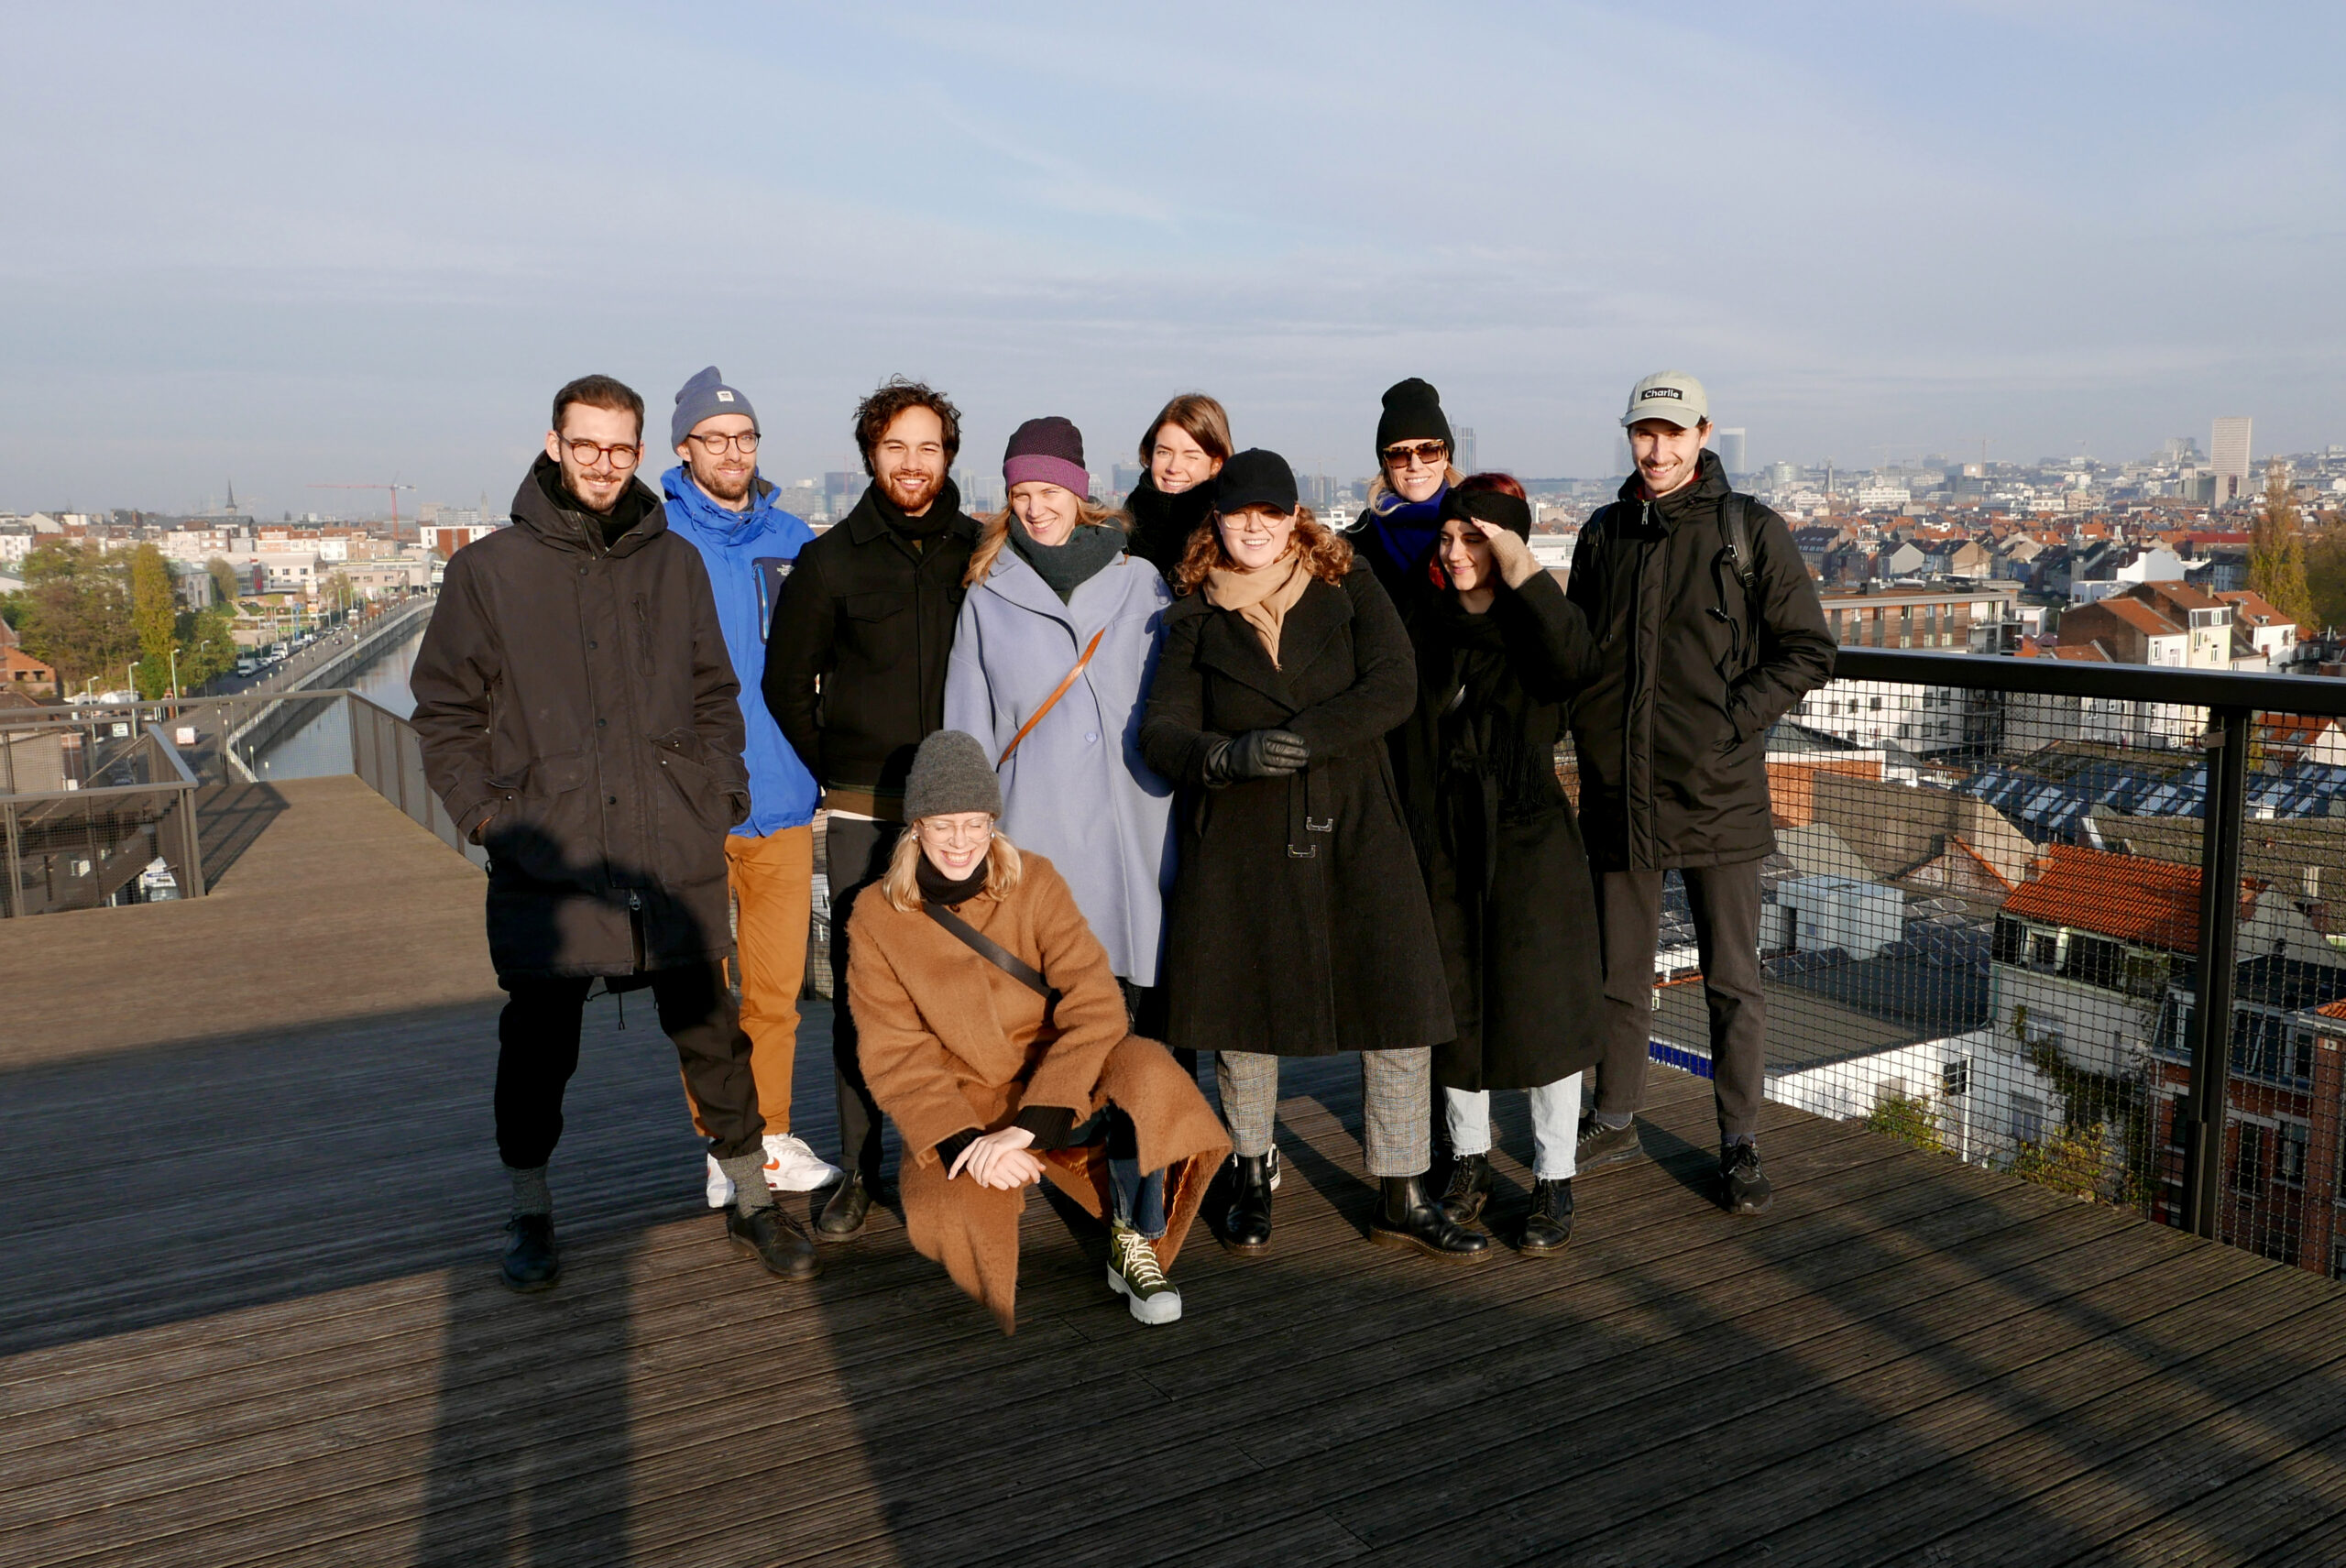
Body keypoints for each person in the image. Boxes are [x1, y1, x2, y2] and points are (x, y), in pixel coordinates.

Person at [411, 373, 817, 1291]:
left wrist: (716, 791)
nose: (602, 463)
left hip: (667, 843)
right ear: (554, 444)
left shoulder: (669, 562)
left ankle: (753, 1199)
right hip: (549, 852)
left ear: (642, 453)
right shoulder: (490, 570)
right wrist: (488, 815)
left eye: (619, 447)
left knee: (712, 1032)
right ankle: (529, 1208)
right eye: (585, 445)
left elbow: (715, 693)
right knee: (539, 1044)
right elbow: (443, 710)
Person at [1139, 449, 1486, 1261]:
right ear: (1215, 520)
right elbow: (1162, 731)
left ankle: (1401, 1190)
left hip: (1358, 819)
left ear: (1296, 514)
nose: (1253, 527)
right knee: (1242, 1022)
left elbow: (1395, 685)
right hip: (1244, 836)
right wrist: (1228, 758)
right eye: (1237, 512)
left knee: (1397, 1005)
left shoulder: (1348, 582)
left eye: (1270, 511)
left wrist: (1299, 740)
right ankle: (1250, 1176)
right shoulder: (1192, 612)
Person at [847, 730, 1230, 1331]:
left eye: (975, 823)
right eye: (944, 824)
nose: (961, 841)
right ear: (916, 825)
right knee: (950, 1215)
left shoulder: (1036, 880)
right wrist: (965, 1145)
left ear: (993, 822)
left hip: (1061, 1072)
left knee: (1150, 1074)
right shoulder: (876, 914)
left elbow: (1097, 1001)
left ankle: (1137, 1242)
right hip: (966, 1097)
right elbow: (894, 1052)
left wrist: (1030, 1126)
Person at [1567, 371, 1835, 1214]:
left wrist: (1733, 719)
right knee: (1618, 972)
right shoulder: (1604, 533)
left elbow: (1808, 649)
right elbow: (1577, 654)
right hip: (1621, 789)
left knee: (1732, 979)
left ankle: (1739, 1143)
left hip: (1717, 789)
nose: (1656, 448)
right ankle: (1615, 1117)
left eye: (1671, 433)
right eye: (1644, 432)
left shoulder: (1747, 529)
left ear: (1703, 434)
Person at [764, 378, 981, 1241]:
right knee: (866, 1002)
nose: (912, 463)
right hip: (862, 812)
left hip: (961, 822)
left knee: (961, 997)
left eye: (928, 446)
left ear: (949, 457)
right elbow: (787, 686)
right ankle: (859, 1168)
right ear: (870, 457)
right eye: (896, 447)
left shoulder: (983, 550)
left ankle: (953, 1169)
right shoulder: (831, 560)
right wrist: (839, 766)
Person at [1392, 476, 1603, 1253]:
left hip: (1528, 837)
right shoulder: (1422, 623)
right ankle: (1470, 1163)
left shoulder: (1537, 626)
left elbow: (1575, 664)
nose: (1454, 551)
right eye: (1447, 537)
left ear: (1507, 544)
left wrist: (1523, 570)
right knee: (1456, 1007)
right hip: (1443, 835)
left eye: (1474, 537)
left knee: (1542, 1010)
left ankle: (1555, 1180)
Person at [660, 367, 842, 1209]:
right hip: (689, 807)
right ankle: (720, 1143)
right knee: (704, 994)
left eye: (744, 438)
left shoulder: (795, 538)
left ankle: (769, 1136)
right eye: (714, 439)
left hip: (780, 797)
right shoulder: (654, 540)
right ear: (683, 448)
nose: (732, 452)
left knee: (774, 992)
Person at [943, 416, 1178, 1036]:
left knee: (1149, 1024)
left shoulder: (1141, 580)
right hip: (1036, 829)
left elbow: (1173, 701)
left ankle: (1156, 1135)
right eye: (1020, 494)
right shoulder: (987, 593)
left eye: (1049, 492)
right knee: (1054, 1018)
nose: (1035, 508)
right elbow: (967, 731)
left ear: (1079, 492)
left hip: (1137, 825)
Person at [1353, 377, 1465, 615]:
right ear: (1385, 464)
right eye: (1399, 455)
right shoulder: (1355, 544)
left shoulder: (1476, 528)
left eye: (1429, 450)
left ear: (1446, 458)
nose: (1415, 465)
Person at [1123, 393, 1232, 578]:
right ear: (1150, 454)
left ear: (1216, 464)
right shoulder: (1121, 527)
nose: (1173, 468)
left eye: (1191, 456)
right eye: (1164, 452)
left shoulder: (1229, 532)